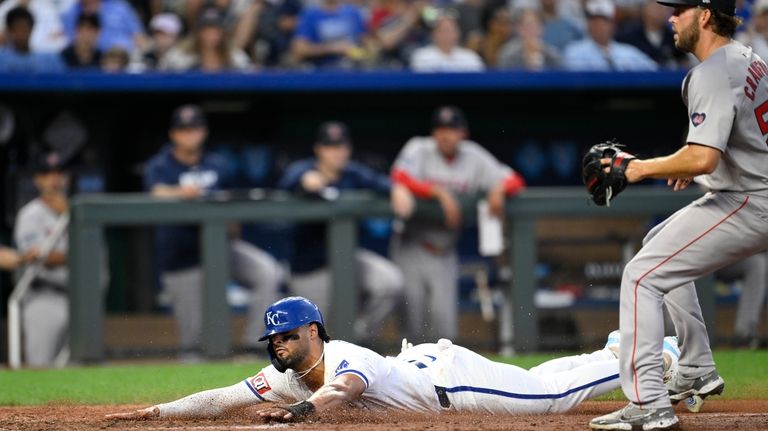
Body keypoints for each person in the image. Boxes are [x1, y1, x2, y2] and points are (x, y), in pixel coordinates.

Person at [588, 0, 765, 427]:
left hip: (751, 200)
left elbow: (703, 156)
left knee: (641, 276)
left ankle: (648, 401)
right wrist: (701, 163)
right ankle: (695, 368)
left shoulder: (711, 72)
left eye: (680, 10)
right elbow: (722, 146)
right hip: (747, 190)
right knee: (657, 249)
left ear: (704, 16)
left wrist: (638, 167)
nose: (671, 16)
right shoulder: (747, 57)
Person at [106, 296, 682, 421]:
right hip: (431, 368)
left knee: (549, 399)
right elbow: (223, 398)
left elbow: (345, 391)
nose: (277, 347)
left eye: (285, 338)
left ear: (312, 331)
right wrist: (155, 412)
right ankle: (617, 350)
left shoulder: (342, 357)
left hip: (453, 385)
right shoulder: (286, 377)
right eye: (272, 341)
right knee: (533, 379)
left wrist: (302, 415)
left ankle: (660, 356)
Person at [143, 104, 282, 358]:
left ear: (203, 132)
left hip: (221, 247)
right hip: (182, 256)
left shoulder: (216, 163)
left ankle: (253, 345)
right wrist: (180, 193)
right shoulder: (160, 165)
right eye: (183, 130)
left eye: (194, 129)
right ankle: (190, 388)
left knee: (267, 272)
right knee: (194, 341)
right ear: (174, 134)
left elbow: (230, 199)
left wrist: (233, 229)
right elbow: (155, 192)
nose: (189, 134)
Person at [389, 106, 525, 343]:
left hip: (445, 251)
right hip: (411, 245)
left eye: (452, 129)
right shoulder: (419, 148)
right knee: (412, 326)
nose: (445, 135)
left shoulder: (473, 156)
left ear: (463, 133)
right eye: (440, 129)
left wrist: (500, 189)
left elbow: (515, 180)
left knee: (444, 330)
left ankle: (440, 380)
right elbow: (399, 176)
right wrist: (438, 192)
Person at [277, 122, 408, 343]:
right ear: (318, 149)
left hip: (346, 257)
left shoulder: (353, 173)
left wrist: (397, 189)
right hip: (310, 266)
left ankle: (358, 338)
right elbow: (286, 183)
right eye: (330, 146)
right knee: (313, 332)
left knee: (390, 282)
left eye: (341, 146)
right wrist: (305, 180)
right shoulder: (304, 169)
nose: (336, 152)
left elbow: (383, 182)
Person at [13, 152, 71, 368]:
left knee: (79, 369)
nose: (54, 179)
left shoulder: (78, 211)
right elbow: (42, 257)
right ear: (38, 179)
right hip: (44, 297)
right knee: (41, 366)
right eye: (47, 174)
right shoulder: (30, 214)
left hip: (80, 299)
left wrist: (70, 213)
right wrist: (78, 256)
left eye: (59, 173)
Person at [562, 0, 658, 71]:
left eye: (604, 21)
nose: (599, 26)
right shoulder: (575, 51)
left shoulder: (627, 52)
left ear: (613, 25)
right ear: (588, 24)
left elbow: (655, 71)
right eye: (594, 21)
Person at [160, 7, 251, 72]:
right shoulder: (180, 55)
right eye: (207, 30)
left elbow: (249, 76)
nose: (212, 35)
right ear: (198, 32)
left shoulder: (235, 56)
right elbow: (163, 76)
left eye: (216, 30)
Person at [290, 0, 371, 69]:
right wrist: (332, 48)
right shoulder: (310, 15)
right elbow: (299, 49)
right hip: (320, 71)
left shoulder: (353, 13)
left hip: (352, 69)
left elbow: (367, 43)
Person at [715, 253, 768, 349]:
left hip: (727, 259)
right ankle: (690, 335)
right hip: (696, 259)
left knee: (757, 263)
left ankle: (745, 335)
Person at [616, 0, 688, 68]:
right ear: (646, 9)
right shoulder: (629, 36)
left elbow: (684, 63)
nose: (661, 12)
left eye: (665, 8)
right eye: (657, 8)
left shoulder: (673, 37)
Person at [61, 0, 147, 54]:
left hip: (122, 57)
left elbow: (139, 36)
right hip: (90, 59)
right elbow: (70, 40)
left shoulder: (120, 7)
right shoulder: (72, 12)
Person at [409, 12, 486, 72]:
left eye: (451, 31)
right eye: (444, 30)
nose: (447, 35)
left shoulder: (470, 58)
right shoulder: (421, 57)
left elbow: (479, 81)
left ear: (458, 34)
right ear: (434, 33)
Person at [0, 6, 65, 72]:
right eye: (17, 29)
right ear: (9, 31)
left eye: (25, 28)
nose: (21, 33)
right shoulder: (2, 60)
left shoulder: (50, 60)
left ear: (31, 29)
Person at [497, 8, 561, 70]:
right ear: (519, 29)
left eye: (535, 26)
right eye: (527, 25)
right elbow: (503, 75)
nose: (531, 30)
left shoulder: (551, 53)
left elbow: (561, 74)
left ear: (542, 29)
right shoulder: (508, 53)